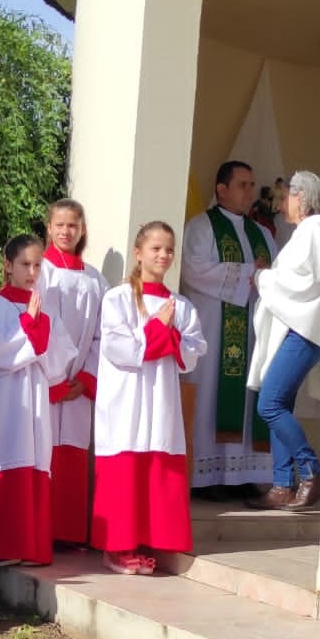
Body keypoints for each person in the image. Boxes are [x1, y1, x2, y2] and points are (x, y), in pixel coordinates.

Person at [91, 222, 207, 575]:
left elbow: (194, 351)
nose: (164, 255)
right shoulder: (117, 298)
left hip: (161, 398)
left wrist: (169, 335)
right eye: (156, 248)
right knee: (125, 463)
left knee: (158, 457)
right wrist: (159, 329)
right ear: (138, 253)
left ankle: (154, 539)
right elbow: (117, 347)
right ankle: (117, 548)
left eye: (169, 249)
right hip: (126, 397)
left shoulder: (181, 305)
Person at [0, 234, 74, 567]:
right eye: (25, 264)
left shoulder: (44, 309)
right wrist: (30, 327)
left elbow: (57, 360)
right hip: (0, 403)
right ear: (7, 265)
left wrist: (38, 329)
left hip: (34, 402)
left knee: (32, 455)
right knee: (0, 456)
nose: (32, 271)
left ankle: (28, 545)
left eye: (38, 265)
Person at [246, 171, 320, 511]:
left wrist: (262, 277)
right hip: (299, 329)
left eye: (287, 196)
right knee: (280, 403)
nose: (282, 202)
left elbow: (307, 284)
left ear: (301, 198)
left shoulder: (314, 233)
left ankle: (310, 470)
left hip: (301, 331)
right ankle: (282, 485)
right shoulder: (311, 232)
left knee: (269, 404)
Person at [182, 160, 278, 498]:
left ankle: (245, 475)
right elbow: (192, 270)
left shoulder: (263, 233)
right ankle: (209, 478)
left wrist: (263, 277)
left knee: (250, 396)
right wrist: (247, 273)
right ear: (221, 189)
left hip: (252, 332)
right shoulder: (201, 227)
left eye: (252, 184)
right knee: (211, 396)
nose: (250, 191)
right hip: (215, 331)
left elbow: (276, 277)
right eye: (242, 184)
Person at [34, 198, 104, 546]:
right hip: (47, 380)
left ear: (82, 229)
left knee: (73, 455)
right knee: (43, 452)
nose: (66, 231)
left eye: (72, 225)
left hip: (79, 385)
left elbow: (101, 333)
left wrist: (86, 378)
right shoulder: (39, 273)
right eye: (59, 225)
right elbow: (38, 326)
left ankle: (68, 532)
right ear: (48, 228)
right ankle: (41, 530)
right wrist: (55, 377)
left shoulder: (94, 279)